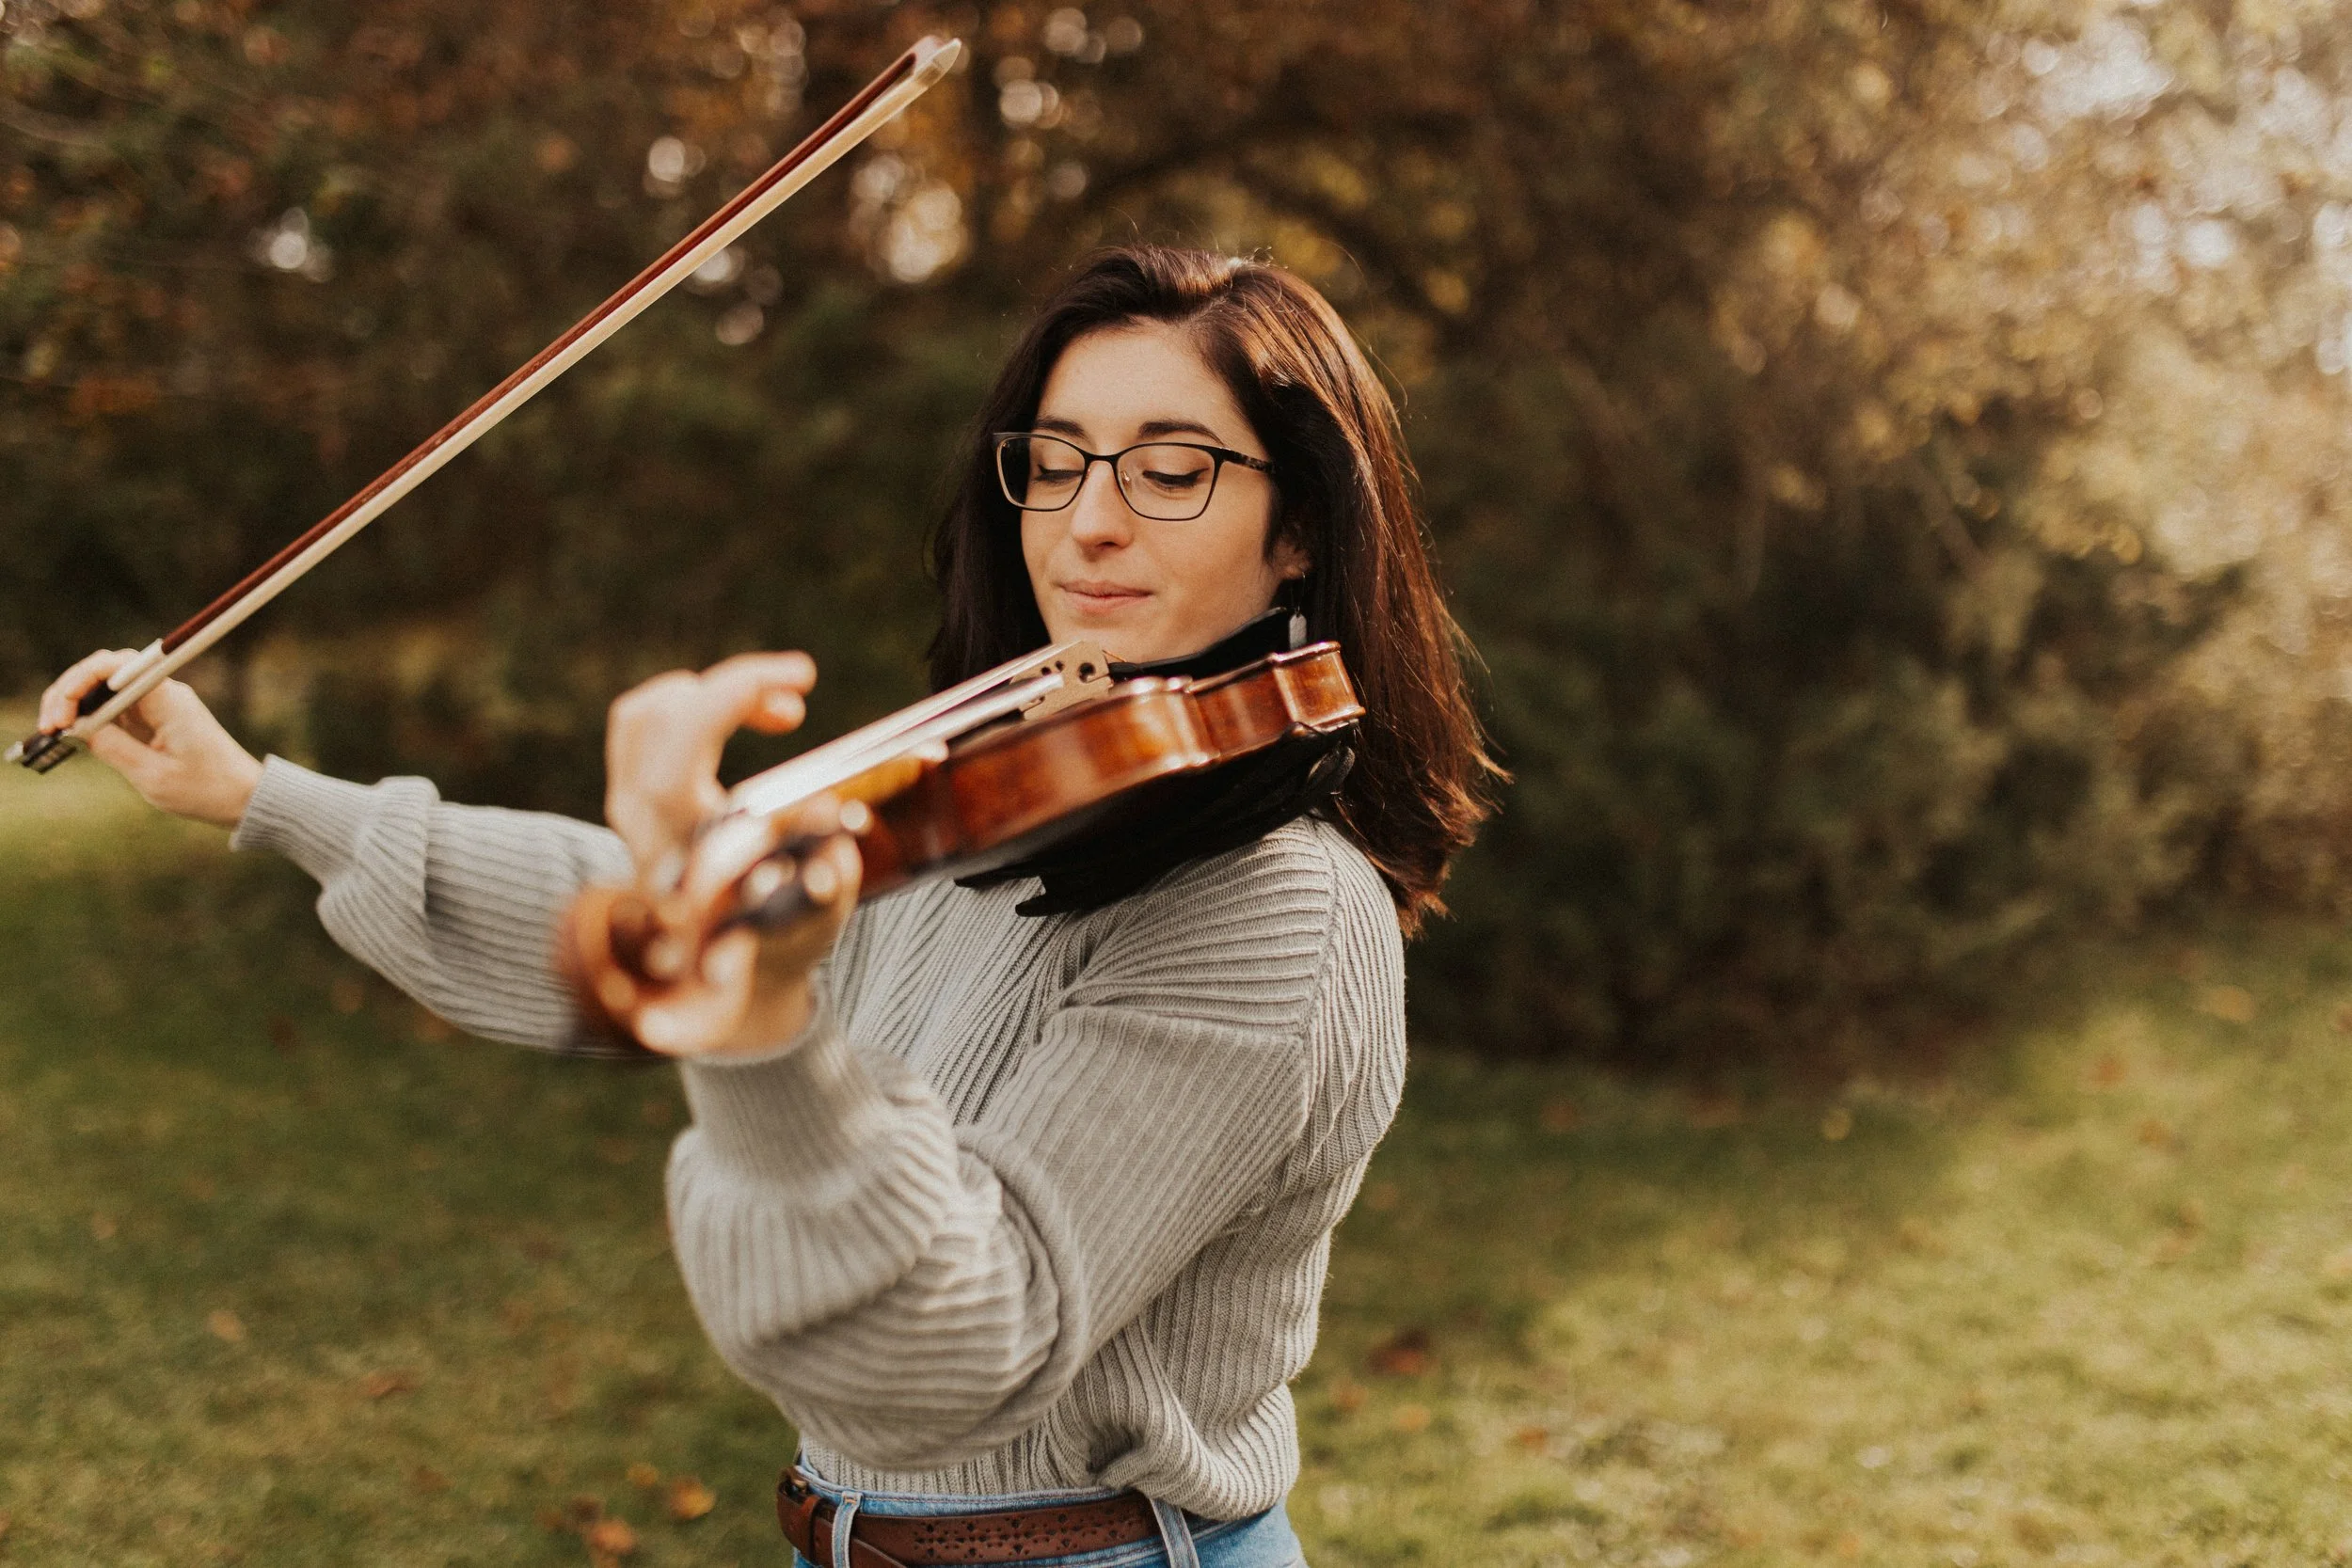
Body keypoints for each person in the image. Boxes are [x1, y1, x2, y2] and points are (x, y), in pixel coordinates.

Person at [40, 245, 1497, 1568]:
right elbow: (635, 907)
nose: (1088, 522)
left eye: (1171, 470)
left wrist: (758, 1027)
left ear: (1299, 531)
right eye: (1054, 463)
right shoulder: (1020, 788)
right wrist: (262, 795)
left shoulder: (1279, 908)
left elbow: (954, 1345)